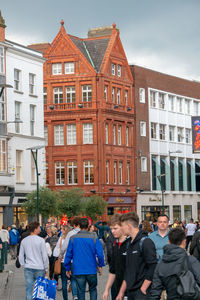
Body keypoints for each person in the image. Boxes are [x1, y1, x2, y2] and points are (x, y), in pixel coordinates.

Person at [150, 228, 200, 299]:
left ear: (168, 242)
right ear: (184, 242)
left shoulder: (161, 265)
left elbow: (155, 291)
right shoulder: (191, 261)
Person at [116, 212, 157, 300]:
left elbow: (153, 267)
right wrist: (121, 292)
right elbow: (128, 270)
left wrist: (143, 289)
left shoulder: (146, 242)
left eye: (122, 226)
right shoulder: (128, 244)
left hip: (142, 293)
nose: (121, 229)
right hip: (130, 292)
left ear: (129, 226)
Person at [64, 218, 104, 300]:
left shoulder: (73, 238)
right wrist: (100, 265)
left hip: (78, 269)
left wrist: (67, 268)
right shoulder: (94, 237)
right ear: (88, 226)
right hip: (91, 269)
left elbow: (68, 254)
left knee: (80, 291)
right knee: (93, 290)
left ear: (79, 226)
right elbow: (100, 253)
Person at [103, 214, 130, 300]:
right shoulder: (116, 244)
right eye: (111, 229)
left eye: (115, 228)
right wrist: (106, 289)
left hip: (129, 290)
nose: (112, 231)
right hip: (117, 287)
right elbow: (112, 270)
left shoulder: (130, 244)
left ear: (123, 227)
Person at [19, 221, 49, 300]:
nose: (40, 229)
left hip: (28, 267)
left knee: (29, 289)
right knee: (39, 290)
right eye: (39, 228)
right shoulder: (41, 240)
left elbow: (21, 255)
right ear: (35, 229)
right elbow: (44, 256)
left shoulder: (24, 241)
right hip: (39, 267)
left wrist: (23, 265)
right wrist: (46, 268)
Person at [61, 217, 81, 299]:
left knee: (71, 278)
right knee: (79, 279)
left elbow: (64, 247)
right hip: (81, 260)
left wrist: (61, 254)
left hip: (71, 259)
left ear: (74, 224)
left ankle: (74, 296)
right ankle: (78, 295)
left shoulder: (70, 233)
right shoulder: (85, 233)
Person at [53, 224, 72, 300]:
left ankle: (65, 298)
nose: (61, 231)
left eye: (63, 230)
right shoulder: (73, 239)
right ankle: (75, 296)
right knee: (74, 281)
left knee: (64, 281)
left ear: (65, 231)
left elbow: (55, 252)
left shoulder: (61, 239)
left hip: (63, 262)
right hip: (72, 262)